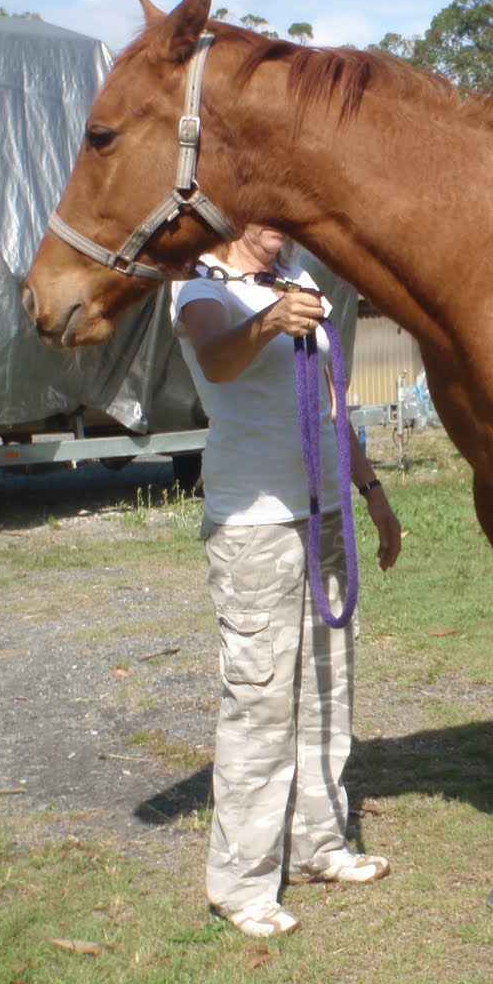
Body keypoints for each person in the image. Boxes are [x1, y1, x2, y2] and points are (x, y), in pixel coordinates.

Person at [171, 222, 403, 939]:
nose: (279, 228)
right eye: (265, 214)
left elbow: (333, 405)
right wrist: (267, 322)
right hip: (256, 523)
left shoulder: (299, 281)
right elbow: (216, 360)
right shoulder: (201, 285)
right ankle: (241, 885)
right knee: (261, 698)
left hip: (324, 507)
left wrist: (371, 493)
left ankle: (319, 846)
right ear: (235, 216)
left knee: (328, 685)